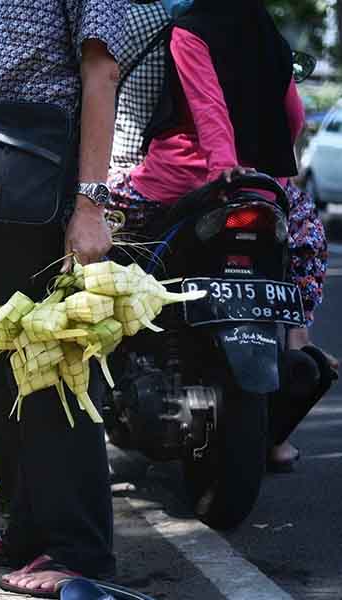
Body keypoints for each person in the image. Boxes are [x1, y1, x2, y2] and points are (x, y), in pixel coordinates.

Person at [0, 0, 126, 594]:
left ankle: (79, 550)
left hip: (44, 195)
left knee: (53, 377)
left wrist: (90, 206)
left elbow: (101, 70)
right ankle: (30, 527)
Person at [107, 0, 333, 472]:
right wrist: (269, 175)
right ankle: (297, 344)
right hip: (263, 186)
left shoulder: (190, 29)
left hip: (184, 182)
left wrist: (224, 169)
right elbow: (292, 116)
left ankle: (104, 364)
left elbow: (207, 104)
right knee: (306, 241)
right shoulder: (267, 33)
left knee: (103, 235)